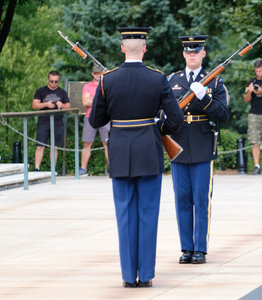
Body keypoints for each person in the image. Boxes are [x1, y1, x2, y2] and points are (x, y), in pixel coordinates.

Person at [89, 27, 183, 288]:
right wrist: (156, 128)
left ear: (122, 48)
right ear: (144, 48)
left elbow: (96, 119)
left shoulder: (108, 80)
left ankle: (129, 277)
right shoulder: (157, 78)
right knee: (148, 214)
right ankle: (146, 275)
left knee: (125, 215)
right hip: (149, 152)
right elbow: (175, 121)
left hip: (119, 152)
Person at [168, 35, 230, 264]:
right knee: (182, 198)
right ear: (183, 54)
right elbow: (164, 113)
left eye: (196, 51)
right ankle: (186, 247)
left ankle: (200, 249)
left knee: (201, 199)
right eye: (188, 51)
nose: (192, 55)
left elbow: (224, 114)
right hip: (179, 146)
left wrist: (204, 98)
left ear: (203, 53)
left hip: (203, 146)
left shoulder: (214, 82)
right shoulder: (172, 80)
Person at [32, 70, 71, 171]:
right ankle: (37, 168)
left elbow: (68, 106)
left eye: (56, 81)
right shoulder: (40, 91)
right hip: (43, 122)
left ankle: (52, 170)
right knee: (40, 146)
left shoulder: (62, 92)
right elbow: (34, 105)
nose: (53, 84)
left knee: (54, 147)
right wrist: (46, 104)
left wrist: (61, 105)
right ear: (48, 80)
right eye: (51, 81)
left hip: (57, 122)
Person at [80, 65, 110, 176]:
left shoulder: (106, 85)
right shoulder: (87, 86)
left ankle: (112, 169)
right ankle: (83, 169)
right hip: (90, 117)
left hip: (105, 117)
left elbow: (108, 101)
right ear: (93, 74)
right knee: (87, 143)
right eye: (96, 73)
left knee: (107, 143)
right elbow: (85, 102)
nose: (98, 75)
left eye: (100, 73)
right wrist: (99, 99)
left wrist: (92, 98)